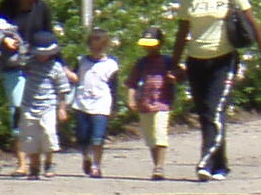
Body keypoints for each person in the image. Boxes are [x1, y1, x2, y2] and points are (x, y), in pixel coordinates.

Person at [174, 0, 261, 180]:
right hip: (196, 62)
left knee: (215, 110)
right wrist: (175, 64)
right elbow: (182, 32)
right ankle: (221, 165)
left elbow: (252, 22)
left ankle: (205, 162)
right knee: (206, 113)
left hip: (223, 60)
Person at [0, 0, 61, 124]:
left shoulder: (42, 8)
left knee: (36, 109)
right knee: (18, 107)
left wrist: (61, 64)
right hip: (13, 65)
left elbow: (49, 36)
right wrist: (6, 40)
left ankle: (32, 146)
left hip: (36, 65)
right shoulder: (7, 8)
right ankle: (18, 141)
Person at [13, 39, 69, 180]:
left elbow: (63, 90)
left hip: (48, 106)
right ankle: (34, 166)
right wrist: (20, 48)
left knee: (48, 134)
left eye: (45, 53)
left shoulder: (56, 67)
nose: (42, 56)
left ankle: (49, 163)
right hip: (29, 106)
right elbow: (16, 62)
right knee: (31, 137)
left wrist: (62, 108)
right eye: (39, 53)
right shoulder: (30, 63)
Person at [128, 35, 179, 180]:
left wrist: (174, 78)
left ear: (160, 44)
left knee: (160, 133)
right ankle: (156, 164)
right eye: (147, 45)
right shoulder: (141, 63)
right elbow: (132, 82)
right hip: (144, 104)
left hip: (162, 103)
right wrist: (131, 98)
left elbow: (180, 76)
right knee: (150, 137)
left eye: (152, 45)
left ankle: (160, 167)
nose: (149, 48)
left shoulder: (168, 61)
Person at [71, 33, 121, 178]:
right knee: (83, 136)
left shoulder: (111, 64)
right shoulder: (81, 61)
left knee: (98, 138)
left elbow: (114, 87)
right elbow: (74, 78)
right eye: (93, 48)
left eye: (99, 48)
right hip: (82, 103)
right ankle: (86, 157)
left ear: (105, 47)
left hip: (102, 103)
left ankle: (96, 166)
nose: (96, 51)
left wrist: (114, 107)